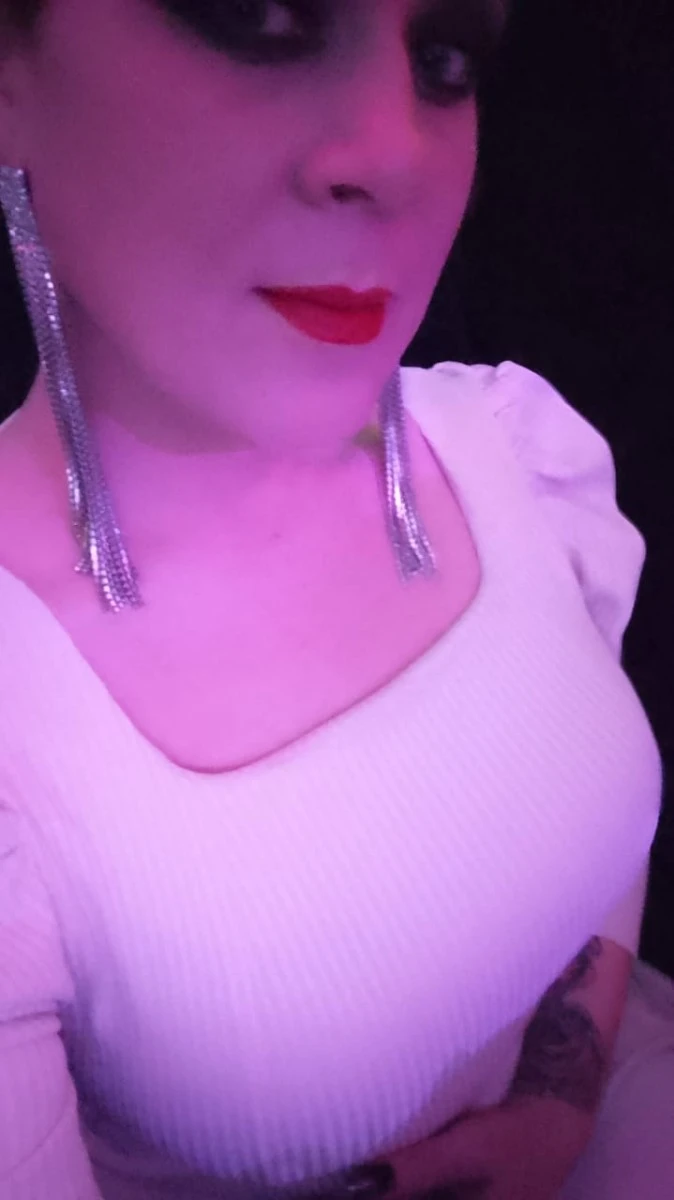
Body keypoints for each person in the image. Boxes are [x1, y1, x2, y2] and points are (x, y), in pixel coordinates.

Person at [0, 3, 671, 1199]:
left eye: (444, 60)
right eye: (262, 20)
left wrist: (556, 1099)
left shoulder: (508, 444)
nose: (396, 151)